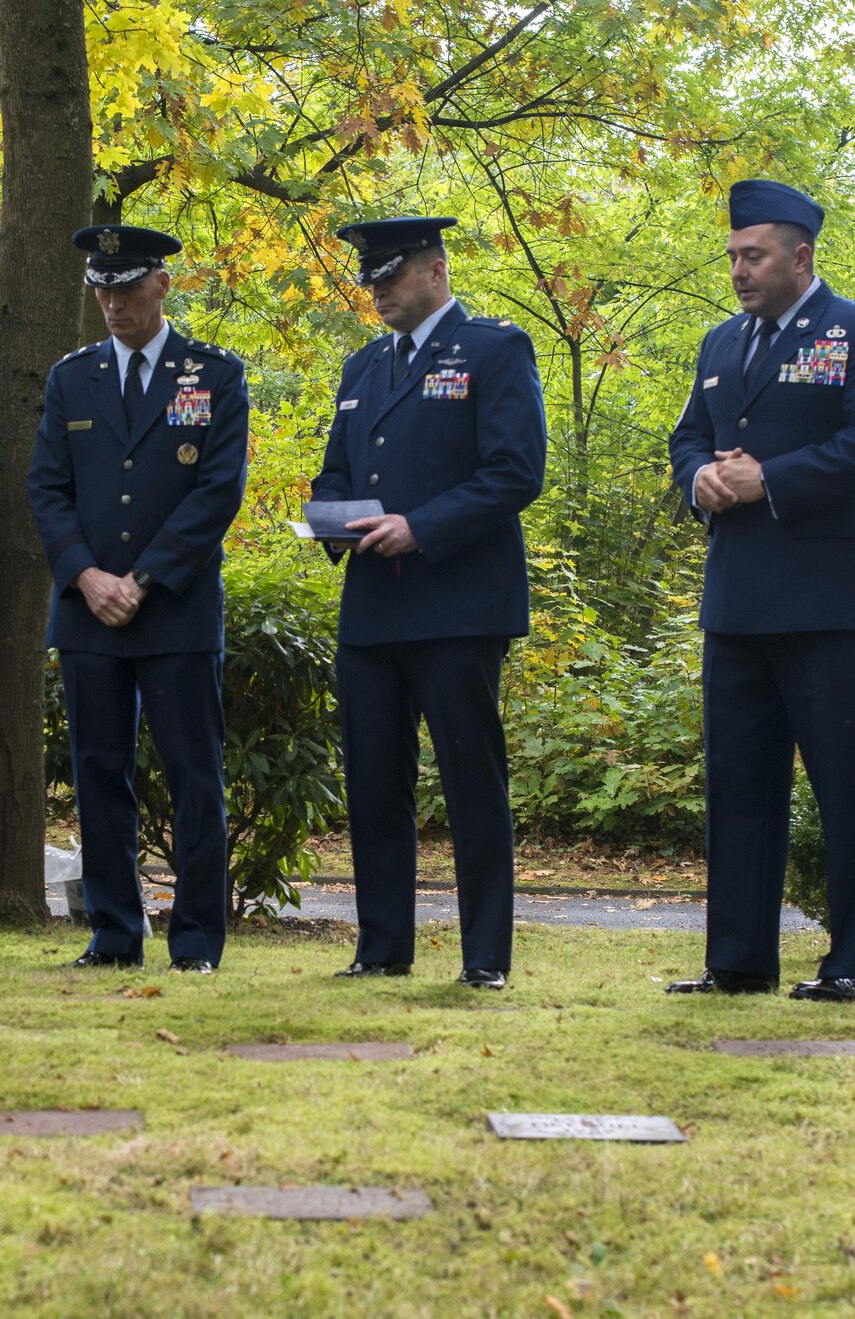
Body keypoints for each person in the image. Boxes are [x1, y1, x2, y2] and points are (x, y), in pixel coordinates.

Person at [665, 179, 855, 1004]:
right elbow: (689, 438)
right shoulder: (719, 344)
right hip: (737, 599)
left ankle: (853, 962)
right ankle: (738, 959)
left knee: (843, 786)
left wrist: (771, 477)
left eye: (755, 255)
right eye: (733, 255)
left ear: (800, 256)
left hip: (822, 598)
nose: (738, 269)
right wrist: (697, 476)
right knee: (739, 787)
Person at [311, 217, 548, 990]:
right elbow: (334, 474)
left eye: (393, 274)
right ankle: (382, 946)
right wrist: (329, 520)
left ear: (437, 270)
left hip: (459, 603)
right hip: (374, 606)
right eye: (371, 279)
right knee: (375, 782)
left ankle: (485, 958)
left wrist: (423, 527)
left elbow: (516, 470)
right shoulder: (362, 367)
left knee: (471, 783)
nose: (378, 289)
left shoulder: (493, 349)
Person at [27, 225, 250, 973]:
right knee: (97, 772)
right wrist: (88, 576)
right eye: (102, 288)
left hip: (175, 607)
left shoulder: (214, 374)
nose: (113, 303)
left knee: (194, 774)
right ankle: (115, 931)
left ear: (161, 283)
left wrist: (144, 576)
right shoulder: (72, 377)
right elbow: (47, 489)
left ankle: (195, 940)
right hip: (88, 609)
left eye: (126, 287)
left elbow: (218, 490)